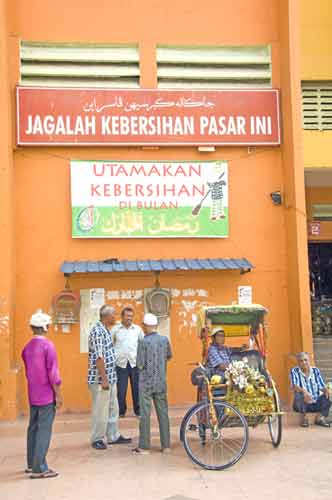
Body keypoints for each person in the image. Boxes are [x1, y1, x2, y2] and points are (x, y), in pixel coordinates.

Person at [22, 310, 62, 479]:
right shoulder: (48, 346)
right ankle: (40, 468)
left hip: (33, 393)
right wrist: (58, 395)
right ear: (45, 327)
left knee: (33, 428)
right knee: (44, 430)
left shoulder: (27, 347)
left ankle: (32, 464)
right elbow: (53, 374)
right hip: (46, 395)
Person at [88, 304, 132, 450]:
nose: (115, 317)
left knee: (113, 408)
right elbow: (99, 357)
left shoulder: (106, 330)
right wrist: (104, 379)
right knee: (101, 409)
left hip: (111, 378)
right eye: (113, 315)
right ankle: (97, 438)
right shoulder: (98, 331)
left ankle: (113, 435)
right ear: (106, 317)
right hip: (102, 380)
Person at [132, 313, 172, 455]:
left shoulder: (143, 342)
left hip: (146, 383)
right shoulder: (164, 340)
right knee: (163, 413)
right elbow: (169, 356)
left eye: (143, 325)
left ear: (146, 326)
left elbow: (140, 364)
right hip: (161, 381)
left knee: (145, 414)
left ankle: (144, 446)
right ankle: (166, 445)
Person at [111, 306, 144, 417]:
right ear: (122, 316)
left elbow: (143, 345)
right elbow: (110, 345)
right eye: (127, 316)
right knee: (121, 390)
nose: (129, 318)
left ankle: (138, 411)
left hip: (135, 364)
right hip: (121, 364)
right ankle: (121, 412)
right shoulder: (115, 329)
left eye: (131, 316)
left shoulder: (138, 329)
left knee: (137, 389)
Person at [290, 351, 331, 427]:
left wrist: (326, 390)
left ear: (309, 360)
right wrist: (304, 392)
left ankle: (319, 418)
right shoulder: (294, 371)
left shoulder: (316, 371)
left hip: (315, 402)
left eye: (306, 360)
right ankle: (304, 418)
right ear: (298, 363)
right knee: (299, 395)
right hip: (302, 404)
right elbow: (294, 386)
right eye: (301, 361)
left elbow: (321, 385)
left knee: (327, 396)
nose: (304, 362)